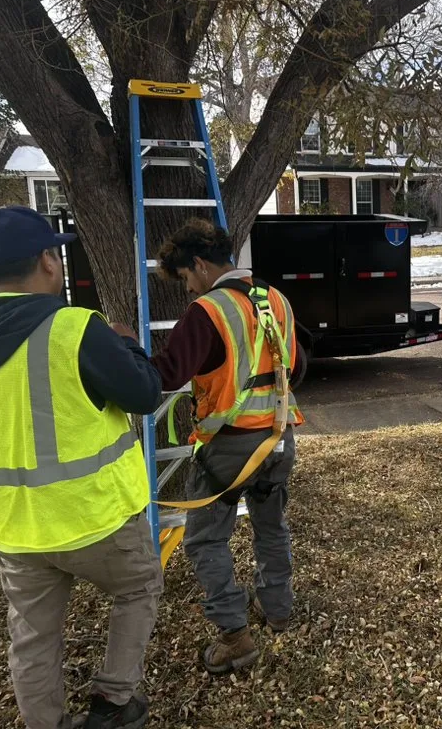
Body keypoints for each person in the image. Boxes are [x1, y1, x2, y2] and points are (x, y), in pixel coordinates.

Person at [0, 207, 164, 729]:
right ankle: (113, 703)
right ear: (47, 261)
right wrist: (125, 343)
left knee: (33, 636)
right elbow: (145, 395)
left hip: (14, 528)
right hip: (94, 517)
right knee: (138, 589)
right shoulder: (75, 329)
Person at [151, 218, 303, 674]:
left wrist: (123, 348)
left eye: (185, 278)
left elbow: (167, 375)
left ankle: (235, 636)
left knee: (205, 539)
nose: (188, 289)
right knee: (270, 526)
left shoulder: (208, 311)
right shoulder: (276, 299)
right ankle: (279, 610)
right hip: (278, 439)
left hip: (230, 448)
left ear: (198, 264)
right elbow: (296, 368)